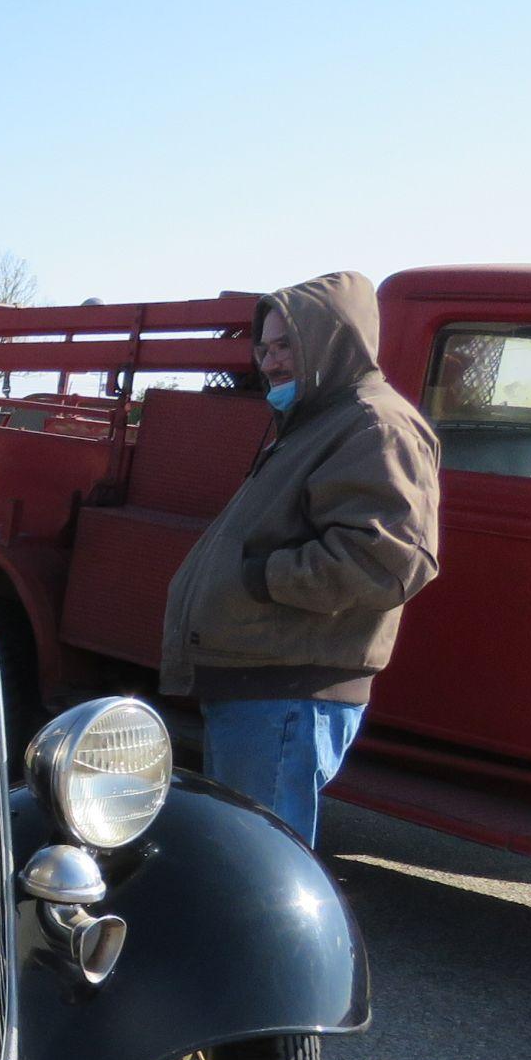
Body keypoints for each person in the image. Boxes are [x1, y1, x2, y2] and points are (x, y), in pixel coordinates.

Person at [157, 272, 441, 847]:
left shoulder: (372, 424)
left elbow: (385, 561)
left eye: (286, 345)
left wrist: (260, 578)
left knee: (255, 873)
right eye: (263, 347)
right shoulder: (319, 420)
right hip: (262, 687)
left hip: (286, 696)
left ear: (332, 340)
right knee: (237, 867)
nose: (270, 361)